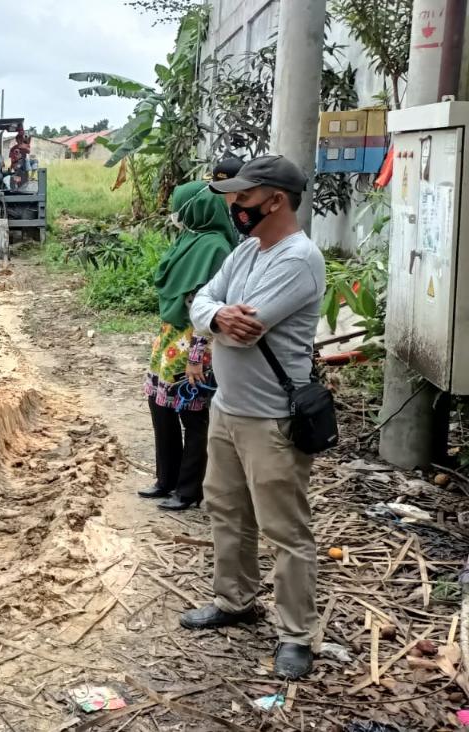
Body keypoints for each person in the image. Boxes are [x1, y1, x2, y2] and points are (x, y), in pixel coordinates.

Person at [182, 156, 326, 680]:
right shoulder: (245, 251)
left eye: (243, 198)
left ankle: (296, 635)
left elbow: (251, 327)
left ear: (275, 201)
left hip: (271, 420)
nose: (234, 206)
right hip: (227, 408)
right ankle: (235, 601)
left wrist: (217, 317)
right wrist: (215, 314)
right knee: (227, 512)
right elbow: (202, 304)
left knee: (285, 530)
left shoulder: (298, 259)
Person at [138, 181, 237, 511]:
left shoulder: (216, 248)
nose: (175, 214)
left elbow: (210, 307)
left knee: (193, 417)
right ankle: (165, 478)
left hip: (196, 343)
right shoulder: (188, 240)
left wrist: (197, 355)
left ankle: (188, 489)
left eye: (179, 206)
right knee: (160, 407)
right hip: (169, 341)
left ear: (198, 208)